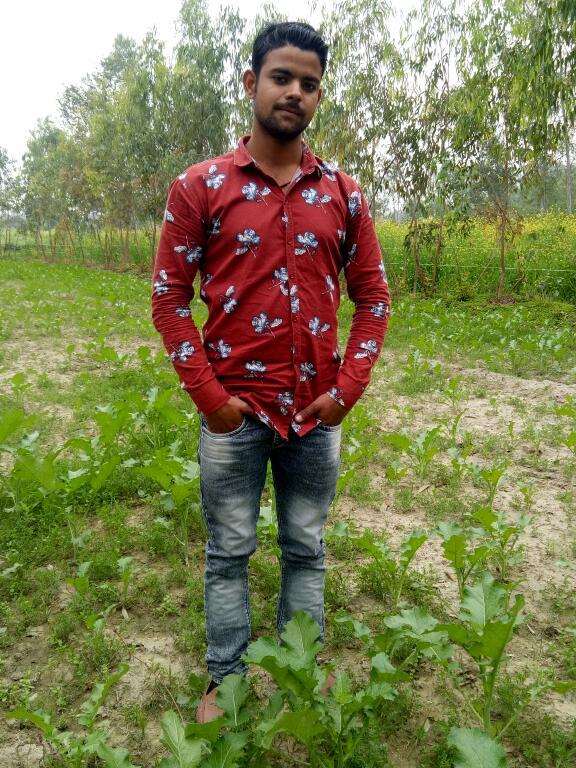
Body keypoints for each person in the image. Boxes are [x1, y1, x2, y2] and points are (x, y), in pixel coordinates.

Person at [151, 21, 390, 723]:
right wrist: (210, 398)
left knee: (306, 549)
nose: (295, 93)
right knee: (228, 552)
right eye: (281, 77)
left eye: (309, 83)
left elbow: (374, 299)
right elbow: (169, 300)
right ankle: (225, 679)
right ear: (251, 82)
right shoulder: (200, 188)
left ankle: (298, 668)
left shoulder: (343, 194)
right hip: (235, 415)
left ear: (318, 95)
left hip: (316, 415)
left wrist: (348, 390)